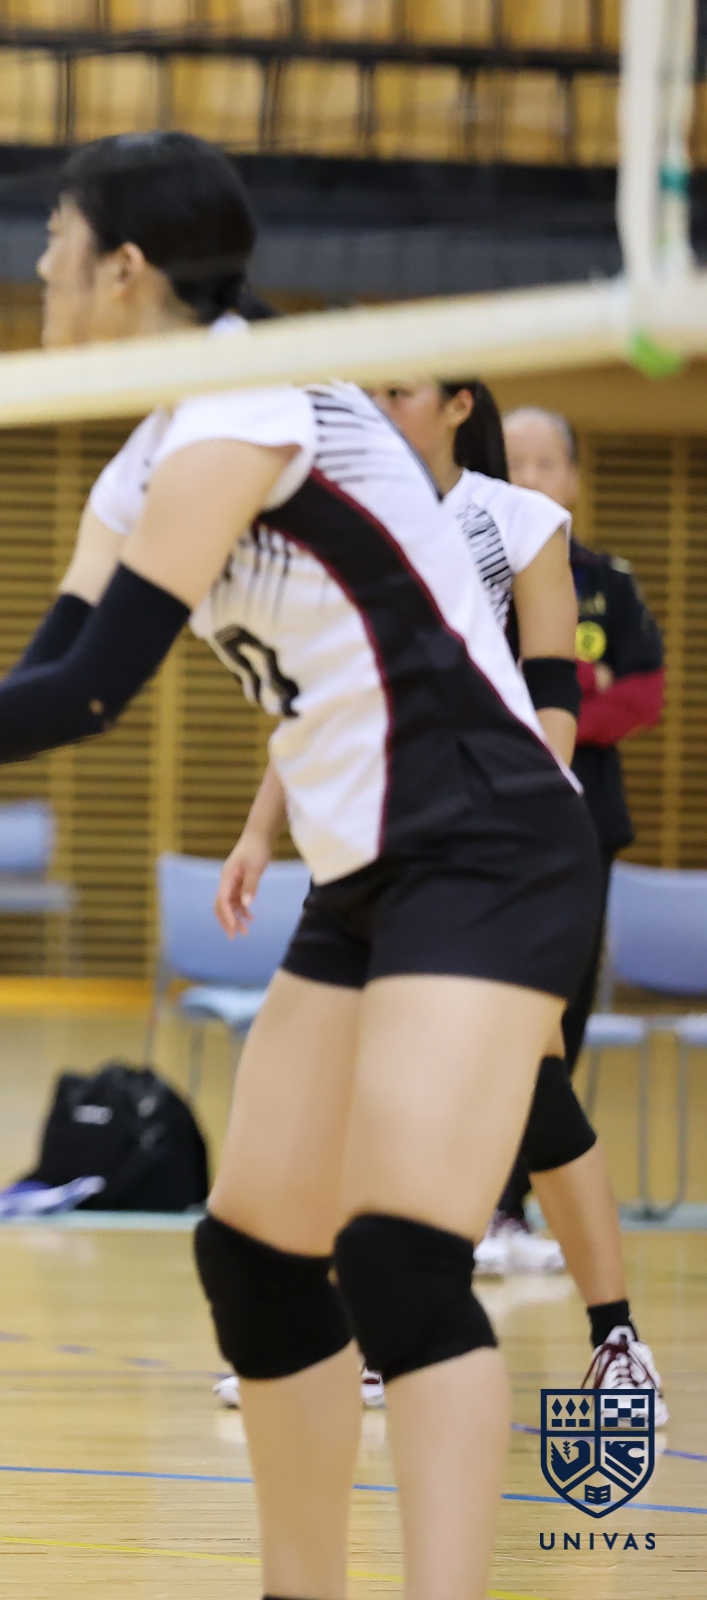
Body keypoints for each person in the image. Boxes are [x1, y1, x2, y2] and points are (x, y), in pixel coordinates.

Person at [0, 132, 597, 1599]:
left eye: (54, 238)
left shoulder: (248, 401)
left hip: (490, 841)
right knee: (254, 1255)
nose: (36, 264)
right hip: (372, 870)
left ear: (123, 268)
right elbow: (46, 672)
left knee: (400, 1262)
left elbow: (93, 691)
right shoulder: (151, 453)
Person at [201, 373, 596, 1417]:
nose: (377, 404)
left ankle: (610, 1333)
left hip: (494, 845)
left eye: (400, 387)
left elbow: (555, 690)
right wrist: (258, 830)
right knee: (328, 1119)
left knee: (531, 1101)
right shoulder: (344, 507)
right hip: (370, 842)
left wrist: (521, 801)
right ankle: (350, 1340)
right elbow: (322, 695)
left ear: (460, 404)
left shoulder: (516, 522)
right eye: (367, 387)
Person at [500, 405, 670, 1414]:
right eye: (514, 458)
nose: (528, 473)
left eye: (545, 459)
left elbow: (636, 695)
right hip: (462, 827)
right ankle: (488, 1214)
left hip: (576, 824)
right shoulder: (467, 555)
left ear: (572, 477)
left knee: (549, 1031)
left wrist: (559, 702)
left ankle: (608, 1323)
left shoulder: (605, 580)